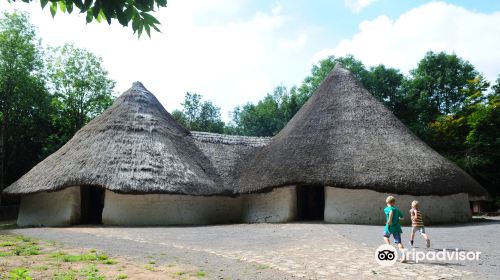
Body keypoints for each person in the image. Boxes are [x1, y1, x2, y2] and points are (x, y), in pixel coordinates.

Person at [383, 196, 406, 262]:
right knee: (399, 242)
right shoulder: (397, 210)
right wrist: (398, 219)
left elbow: (391, 212)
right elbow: (402, 217)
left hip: (389, 227)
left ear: (387, 202)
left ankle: (389, 247)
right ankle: (404, 256)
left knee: (385, 236)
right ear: (394, 202)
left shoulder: (387, 208)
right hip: (397, 228)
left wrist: (389, 221)